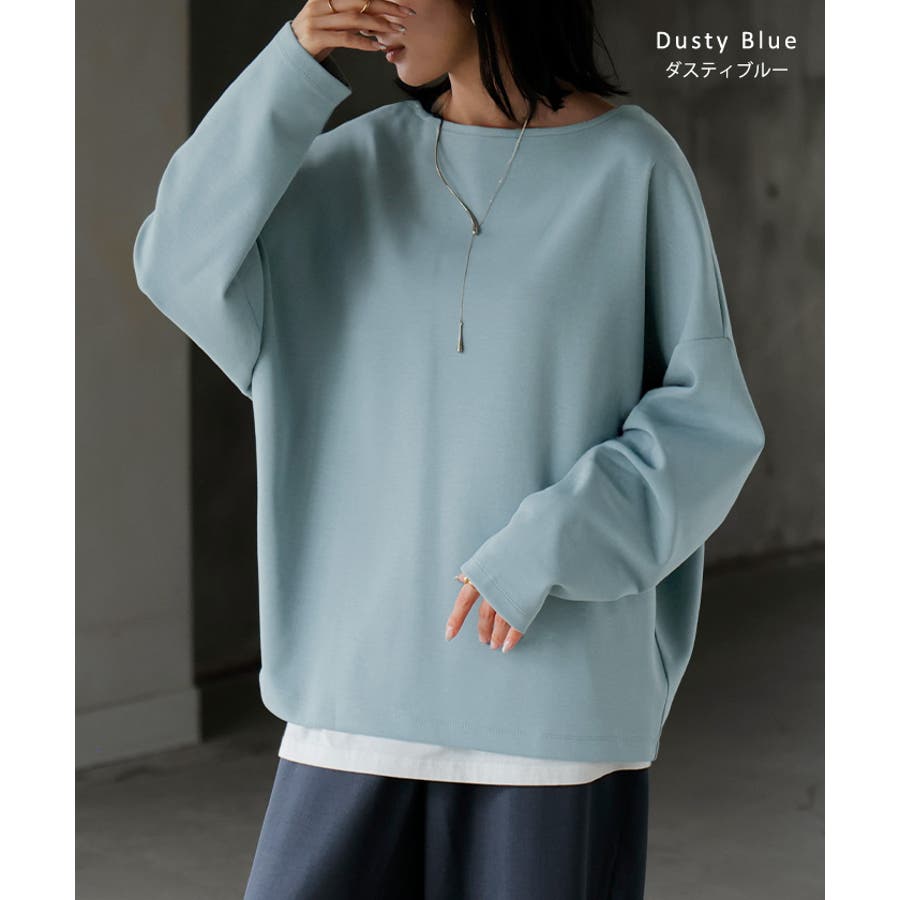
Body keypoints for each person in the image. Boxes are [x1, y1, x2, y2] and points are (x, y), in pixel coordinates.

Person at [131, 1, 766, 897]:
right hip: (357, 693)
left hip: (550, 702)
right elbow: (176, 261)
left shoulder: (634, 168)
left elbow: (708, 421)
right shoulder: (348, 168)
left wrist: (552, 543)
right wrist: (294, 60)